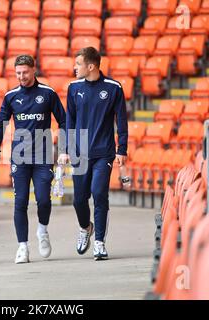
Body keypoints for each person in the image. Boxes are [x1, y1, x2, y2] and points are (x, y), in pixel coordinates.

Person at [0, 54, 67, 264]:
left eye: (25, 72)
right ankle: (22, 247)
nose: (21, 76)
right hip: (20, 157)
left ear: (34, 70)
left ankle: (42, 230)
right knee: (21, 201)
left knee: (43, 199)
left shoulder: (48, 93)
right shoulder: (11, 96)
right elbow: (1, 123)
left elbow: (64, 121)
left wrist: (63, 149)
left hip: (43, 156)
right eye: (18, 73)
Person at [65, 47, 128, 261]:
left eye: (78, 64)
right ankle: (86, 228)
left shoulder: (113, 88)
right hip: (80, 154)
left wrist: (122, 150)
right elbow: (69, 122)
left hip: (104, 153)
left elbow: (121, 121)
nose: (74, 68)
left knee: (99, 193)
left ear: (90, 66)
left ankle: (99, 242)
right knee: (79, 200)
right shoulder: (73, 88)